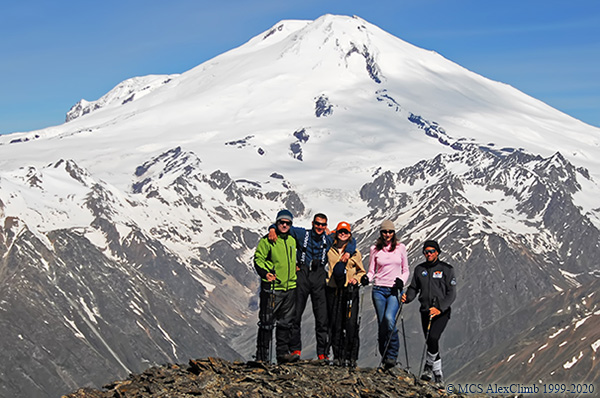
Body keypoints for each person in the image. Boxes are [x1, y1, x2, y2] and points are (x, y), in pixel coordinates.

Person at [268, 213, 356, 361]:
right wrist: (271, 228)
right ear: (312, 223)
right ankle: (295, 349)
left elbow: (351, 240)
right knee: (296, 314)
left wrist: (348, 252)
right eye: (317, 224)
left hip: (319, 275)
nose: (320, 227)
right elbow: (283, 227)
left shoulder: (328, 238)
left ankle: (322, 352)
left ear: (326, 226)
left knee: (321, 316)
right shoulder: (302, 234)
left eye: (323, 225)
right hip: (302, 274)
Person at [402, 240, 456, 385]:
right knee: (430, 341)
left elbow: (451, 294)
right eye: (426, 251)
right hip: (425, 311)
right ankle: (438, 375)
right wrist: (407, 298)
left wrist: (440, 308)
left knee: (433, 337)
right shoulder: (420, 269)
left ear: (437, 252)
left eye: (432, 251)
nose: (429, 254)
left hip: (441, 312)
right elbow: (414, 288)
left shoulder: (447, 269)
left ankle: (428, 366)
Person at [361, 220, 409, 369]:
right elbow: (371, 271)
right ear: (380, 233)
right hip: (379, 290)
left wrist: (401, 281)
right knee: (382, 324)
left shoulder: (401, 248)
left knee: (389, 319)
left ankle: (392, 355)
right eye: (384, 232)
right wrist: (366, 278)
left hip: (394, 289)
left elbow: (406, 270)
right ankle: (385, 357)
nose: (387, 234)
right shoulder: (375, 249)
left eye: (390, 232)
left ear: (394, 233)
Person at [254, 209, 298, 364]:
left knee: (286, 323)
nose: (284, 225)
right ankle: (262, 356)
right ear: (277, 222)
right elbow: (258, 259)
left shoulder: (292, 240)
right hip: (273, 288)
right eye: (281, 222)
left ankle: (282, 354)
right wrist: (265, 273)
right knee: (266, 323)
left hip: (290, 287)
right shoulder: (267, 240)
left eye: (287, 223)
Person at [325, 221, 366, 367]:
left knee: (350, 324)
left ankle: (351, 356)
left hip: (350, 291)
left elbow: (361, 271)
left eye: (346, 232)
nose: (343, 234)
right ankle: (338, 355)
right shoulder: (330, 250)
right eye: (340, 231)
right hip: (334, 290)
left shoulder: (355, 253)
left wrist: (356, 279)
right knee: (335, 323)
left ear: (349, 235)